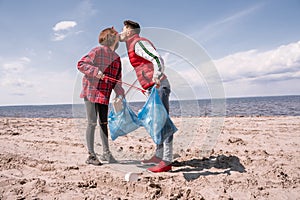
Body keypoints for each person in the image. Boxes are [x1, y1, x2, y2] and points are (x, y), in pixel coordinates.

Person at [119, 20, 173, 172]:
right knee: (156, 122)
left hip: (159, 86)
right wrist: (146, 86)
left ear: (130, 31)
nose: (121, 32)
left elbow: (157, 59)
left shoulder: (138, 43)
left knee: (163, 122)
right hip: (152, 88)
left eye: (123, 29)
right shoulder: (133, 45)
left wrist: (156, 76)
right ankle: (158, 155)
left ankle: (167, 161)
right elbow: (143, 67)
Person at [77, 27, 124, 165]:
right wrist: (95, 71)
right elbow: (81, 64)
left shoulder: (117, 58)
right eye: (116, 37)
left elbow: (117, 80)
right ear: (110, 39)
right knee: (92, 122)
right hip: (91, 92)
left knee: (104, 123)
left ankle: (106, 154)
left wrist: (120, 94)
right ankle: (91, 156)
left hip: (104, 95)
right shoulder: (97, 51)